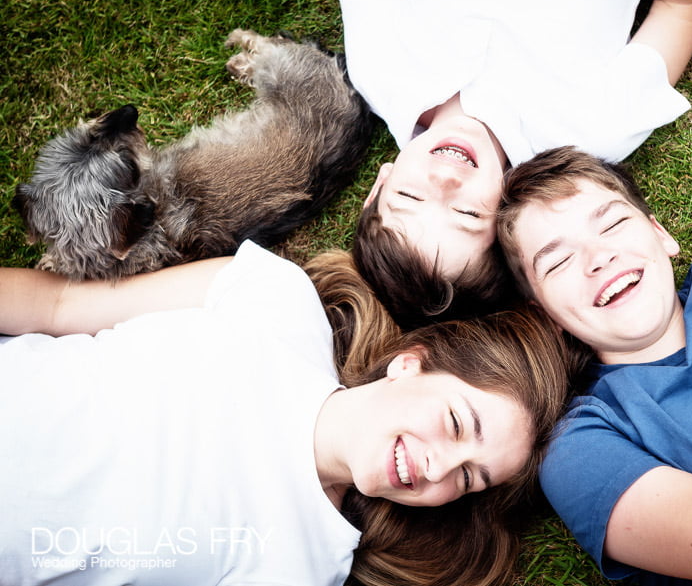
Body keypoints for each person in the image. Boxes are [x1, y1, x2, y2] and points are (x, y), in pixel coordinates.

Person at [0, 240, 578, 586]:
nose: (439, 467)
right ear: (410, 362)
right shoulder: (274, 300)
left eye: (468, 478)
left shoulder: (302, 567)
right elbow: (58, 304)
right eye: (456, 423)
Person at [341, 0, 692, 328]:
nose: (446, 180)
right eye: (467, 213)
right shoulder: (588, 130)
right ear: (507, 220)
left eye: (409, 195)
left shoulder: (380, 71)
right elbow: (682, 5)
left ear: (378, 187)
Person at [497, 146, 692, 586]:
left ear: (660, 234)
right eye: (560, 261)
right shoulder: (579, 446)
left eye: (612, 223)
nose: (599, 258)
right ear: (547, 318)